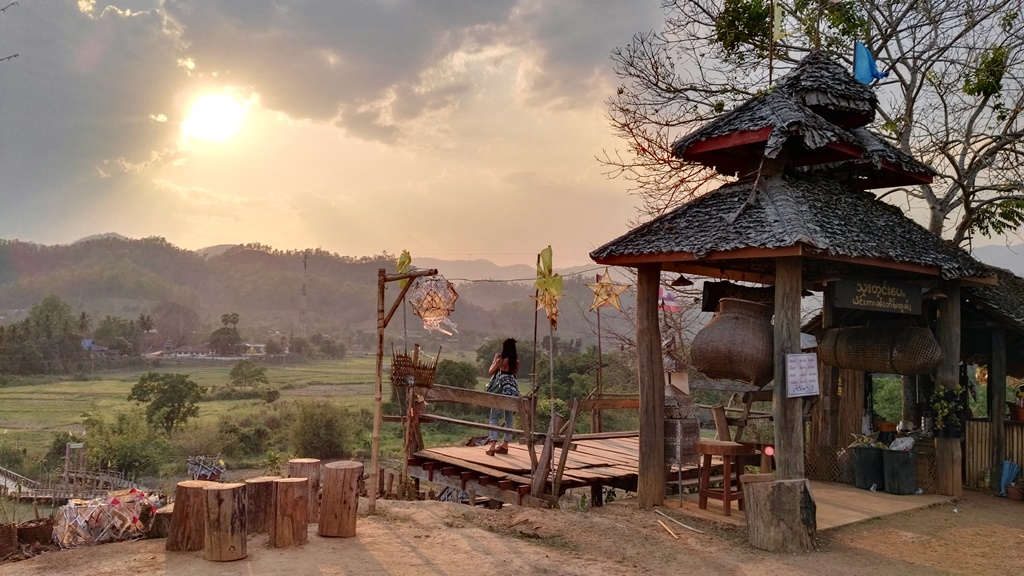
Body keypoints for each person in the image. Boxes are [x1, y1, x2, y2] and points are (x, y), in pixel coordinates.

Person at [485, 338, 520, 456]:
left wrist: (494, 360)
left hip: (500, 391)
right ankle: (505, 445)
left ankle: (492, 445)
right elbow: (513, 374)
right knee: (509, 417)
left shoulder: (501, 360)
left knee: (494, 417)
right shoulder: (516, 362)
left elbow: (490, 372)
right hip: (512, 390)